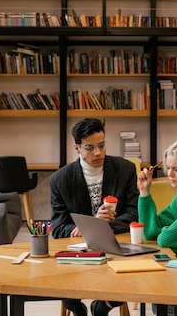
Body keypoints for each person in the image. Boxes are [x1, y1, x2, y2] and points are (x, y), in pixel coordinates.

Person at [50, 118, 139, 316]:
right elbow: (57, 228)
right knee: (59, 275)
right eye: (90, 147)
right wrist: (86, 228)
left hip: (116, 244)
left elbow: (134, 214)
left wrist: (104, 226)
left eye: (101, 145)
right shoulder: (60, 179)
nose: (98, 152)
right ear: (77, 148)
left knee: (132, 273)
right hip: (78, 249)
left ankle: (103, 306)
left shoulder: (125, 169)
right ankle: (76, 307)